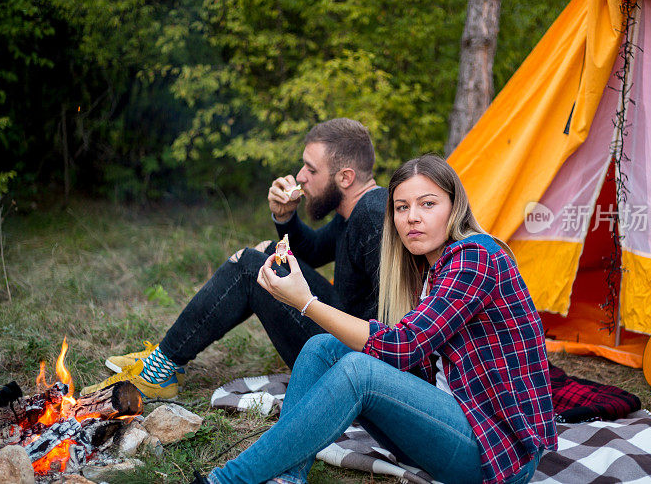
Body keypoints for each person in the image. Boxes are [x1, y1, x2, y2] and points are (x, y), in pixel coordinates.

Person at [199, 154, 557, 484]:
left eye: (427, 204)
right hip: (449, 427)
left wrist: (305, 302)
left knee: (360, 371)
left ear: (455, 207)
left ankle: (227, 480)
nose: (412, 216)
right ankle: (288, 477)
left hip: (496, 452)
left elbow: (403, 347)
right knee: (323, 347)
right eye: (402, 207)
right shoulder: (428, 267)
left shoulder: (476, 256)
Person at [81, 118, 387, 399]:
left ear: (345, 177)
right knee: (268, 252)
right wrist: (285, 217)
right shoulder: (356, 212)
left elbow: (389, 324)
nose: (300, 177)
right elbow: (315, 250)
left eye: (311, 169)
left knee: (247, 265)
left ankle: (160, 369)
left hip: (354, 364)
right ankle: (163, 356)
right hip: (349, 337)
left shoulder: (373, 215)